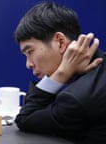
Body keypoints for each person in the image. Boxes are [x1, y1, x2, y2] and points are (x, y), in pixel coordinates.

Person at [14, 1, 106, 144]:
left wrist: (62, 72)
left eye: (30, 51)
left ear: (60, 42)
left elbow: (25, 119)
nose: (28, 64)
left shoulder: (76, 99)